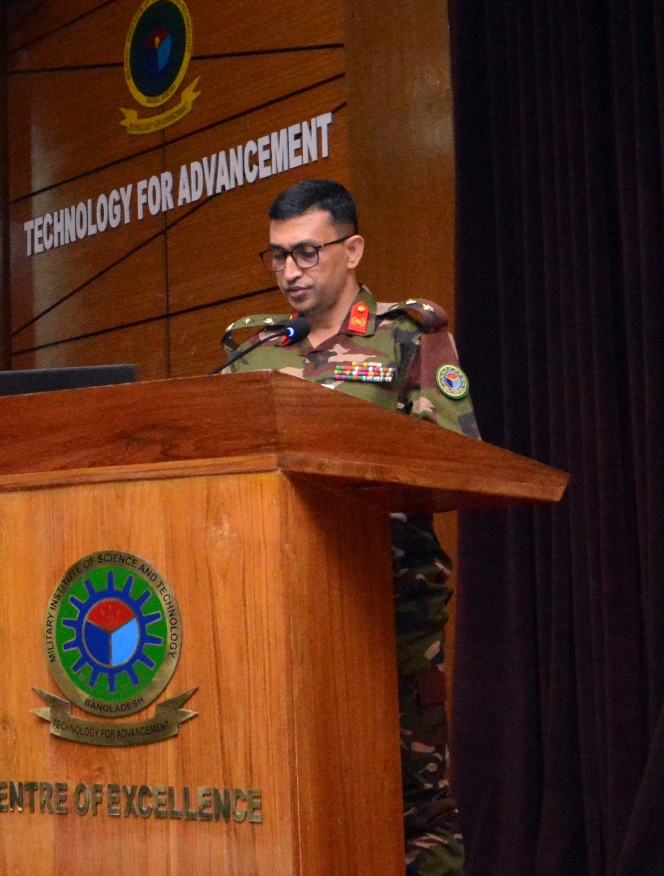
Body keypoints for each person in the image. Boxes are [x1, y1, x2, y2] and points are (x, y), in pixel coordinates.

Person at [219, 178, 472, 876]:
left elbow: (457, 462)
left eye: (306, 252)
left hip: (387, 600)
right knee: (294, 784)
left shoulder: (408, 336)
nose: (290, 271)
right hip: (277, 603)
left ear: (352, 249)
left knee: (415, 799)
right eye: (277, 256)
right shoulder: (251, 349)